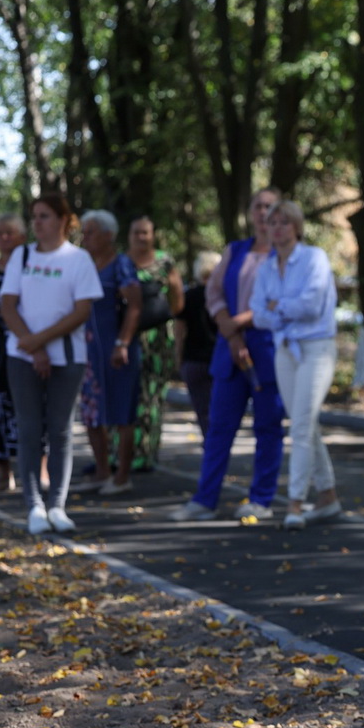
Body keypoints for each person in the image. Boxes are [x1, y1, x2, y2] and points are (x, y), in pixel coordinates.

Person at [169, 188, 285, 523]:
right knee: (219, 427)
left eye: (270, 207)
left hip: (267, 351)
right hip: (228, 351)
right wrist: (230, 330)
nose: (264, 213)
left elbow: (278, 302)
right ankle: (205, 499)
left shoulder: (286, 256)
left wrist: (238, 323)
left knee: (268, 426)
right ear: (250, 212)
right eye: (258, 206)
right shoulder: (235, 251)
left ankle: (261, 498)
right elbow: (214, 293)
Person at [0, 194, 103, 534]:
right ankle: (34, 506)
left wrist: (40, 341)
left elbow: (81, 310)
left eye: (44, 216)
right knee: (30, 430)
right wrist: (32, 346)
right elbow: (9, 305)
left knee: (59, 431)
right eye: (34, 216)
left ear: (63, 220)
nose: (37, 223)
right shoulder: (22, 256)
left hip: (66, 358)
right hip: (23, 356)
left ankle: (58, 504)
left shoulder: (78, 259)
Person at [251, 201, 341, 531]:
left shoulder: (314, 257)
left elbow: (312, 306)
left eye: (284, 222)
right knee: (305, 422)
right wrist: (282, 308)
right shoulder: (266, 266)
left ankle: (295, 502)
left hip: (316, 348)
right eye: (272, 222)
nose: (277, 227)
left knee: (301, 425)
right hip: (284, 348)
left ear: (297, 227)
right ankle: (328, 495)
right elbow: (257, 312)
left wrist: (278, 306)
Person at [72, 210, 142, 496]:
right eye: (84, 232)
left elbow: (135, 306)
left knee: (122, 411)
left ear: (108, 235)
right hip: (88, 352)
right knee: (91, 413)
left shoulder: (121, 265)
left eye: (90, 231)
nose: (85, 237)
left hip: (116, 350)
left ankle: (123, 474)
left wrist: (122, 343)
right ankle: (102, 470)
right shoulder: (83, 263)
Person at [126, 215, 184, 471]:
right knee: (127, 396)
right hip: (127, 337)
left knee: (151, 398)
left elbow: (177, 300)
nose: (141, 237)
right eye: (136, 232)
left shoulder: (164, 262)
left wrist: (161, 316)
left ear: (152, 235)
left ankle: (146, 453)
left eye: (145, 233)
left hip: (157, 340)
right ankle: (122, 454)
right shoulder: (122, 262)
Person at [174, 251, 221, 441]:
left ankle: (211, 449)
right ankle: (216, 451)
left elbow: (179, 331)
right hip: (219, 360)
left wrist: (178, 357)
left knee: (203, 411)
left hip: (193, 361)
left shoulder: (188, 296)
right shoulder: (225, 298)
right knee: (220, 410)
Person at [0, 213, 26, 490]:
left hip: (28, 344)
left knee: (31, 407)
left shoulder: (32, 267)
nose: (4, 238)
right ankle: (4, 471)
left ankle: (40, 469)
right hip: (1, 349)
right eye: (0, 233)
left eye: (10, 233)